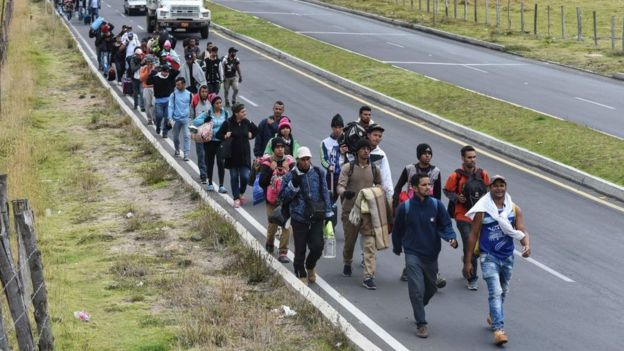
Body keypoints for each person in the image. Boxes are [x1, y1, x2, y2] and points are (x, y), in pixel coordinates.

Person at [463, 175, 531, 346]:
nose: (499, 189)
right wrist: (468, 261)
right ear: (489, 188)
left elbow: (522, 230)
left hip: (507, 257)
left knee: (504, 290)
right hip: (488, 257)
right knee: (496, 291)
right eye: (495, 186)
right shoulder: (483, 210)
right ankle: (499, 329)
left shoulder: (514, 209)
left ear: (506, 188)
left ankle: (493, 316)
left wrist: (526, 245)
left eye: (502, 186)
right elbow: (473, 235)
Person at [392, 173, 458, 339]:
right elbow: (397, 229)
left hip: (431, 254)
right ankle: (421, 323)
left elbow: (446, 225)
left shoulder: (436, 205)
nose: (429, 187)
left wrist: (451, 237)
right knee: (416, 289)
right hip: (412, 253)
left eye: (429, 184)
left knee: (431, 288)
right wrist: (397, 246)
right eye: (424, 185)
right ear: (414, 188)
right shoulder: (405, 208)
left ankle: (418, 306)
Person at [393, 143, 446, 287]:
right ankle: (409, 268)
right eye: (424, 153)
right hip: (411, 211)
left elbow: (438, 195)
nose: (427, 155)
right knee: (411, 241)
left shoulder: (435, 171)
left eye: (429, 153)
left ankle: (434, 273)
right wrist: (395, 209)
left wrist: (439, 214)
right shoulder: (410, 169)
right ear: (419, 155)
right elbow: (398, 188)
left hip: (429, 212)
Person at [279, 147, 333, 285]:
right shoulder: (289, 176)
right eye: (303, 159)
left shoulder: (318, 173)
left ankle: (310, 266)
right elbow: (282, 197)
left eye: (308, 159)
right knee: (300, 248)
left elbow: (325, 193)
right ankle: (300, 272)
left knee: (317, 247)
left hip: (316, 216)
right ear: (297, 160)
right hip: (299, 217)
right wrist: (293, 186)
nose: (306, 162)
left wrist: (328, 212)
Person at [337, 139, 383, 289]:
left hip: (368, 213)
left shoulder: (375, 169)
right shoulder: (347, 168)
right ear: (357, 151)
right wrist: (345, 193)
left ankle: (368, 276)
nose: (366, 151)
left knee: (370, 245)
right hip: (351, 211)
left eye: (368, 149)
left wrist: (377, 193)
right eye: (363, 148)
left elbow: (380, 186)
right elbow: (340, 186)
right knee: (350, 242)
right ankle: (347, 262)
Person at [444, 145, 490, 291]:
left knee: (475, 247)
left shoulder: (483, 174)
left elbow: (489, 190)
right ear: (463, 158)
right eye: (469, 157)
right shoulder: (455, 176)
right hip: (462, 215)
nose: (472, 160)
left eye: (474, 157)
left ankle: (467, 260)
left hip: (479, 215)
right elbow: (447, 190)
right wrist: (457, 197)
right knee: (469, 241)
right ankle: (472, 278)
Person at [259, 137, 295, 263]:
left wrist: (287, 170)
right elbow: (262, 182)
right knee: (273, 224)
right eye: (277, 147)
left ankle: (283, 252)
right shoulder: (267, 163)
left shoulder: (290, 162)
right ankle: (270, 242)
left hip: (286, 200)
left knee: (286, 226)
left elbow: (296, 180)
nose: (280, 149)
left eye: (282, 147)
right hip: (272, 200)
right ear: (273, 149)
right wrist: (270, 170)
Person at [217, 103, 258, 208]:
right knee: (234, 177)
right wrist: (225, 135)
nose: (245, 113)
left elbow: (256, 131)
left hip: (244, 155)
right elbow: (218, 134)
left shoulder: (247, 122)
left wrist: (251, 135)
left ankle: (241, 193)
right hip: (232, 156)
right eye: (242, 112)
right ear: (236, 113)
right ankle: (236, 198)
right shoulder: (228, 123)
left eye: (245, 111)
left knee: (245, 176)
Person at [203, 96, 229, 193]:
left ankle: (221, 185)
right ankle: (210, 183)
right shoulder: (208, 113)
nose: (219, 105)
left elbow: (228, 125)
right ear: (213, 104)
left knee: (220, 162)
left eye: (220, 103)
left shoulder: (225, 113)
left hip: (221, 142)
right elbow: (201, 123)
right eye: (217, 103)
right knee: (210, 162)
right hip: (209, 142)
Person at [320, 113, 346, 203]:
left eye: (340, 127)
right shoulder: (325, 142)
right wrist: (328, 166)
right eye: (335, 127)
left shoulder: (347, 141)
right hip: (331, 176)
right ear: (332, 128)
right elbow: (323, 159)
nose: (338, 130)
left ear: (343, 128)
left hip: (345, 175)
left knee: (346, 200)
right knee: (330, 199)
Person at [147, 64, 178, 138]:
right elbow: (148, 82)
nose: (165, 74)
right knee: (159, 116)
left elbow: (177, 72)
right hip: (158, 101)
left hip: (168, 101)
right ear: (161, 71)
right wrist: (152, 72)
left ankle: (165, 132)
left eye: (167, 72)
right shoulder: (156, 77)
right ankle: (158, 126)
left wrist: (171, 69)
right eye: (164, 72)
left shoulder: (170, 77)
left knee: (167, 118)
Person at [190, 85, 212, 183]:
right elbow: (191, 117)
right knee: (201, 154)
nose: (204, 93)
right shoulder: (194, 102)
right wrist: (192, 131)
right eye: (202, 91)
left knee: (208, 154)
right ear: (199, 92)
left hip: (208, 132)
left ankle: (208, 172)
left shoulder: (210, 102)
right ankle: (203, 174)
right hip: (198, 133)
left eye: (205, 92)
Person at [168, 77, 192, 161]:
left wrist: (192, 118)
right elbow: (170, 107)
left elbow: (192, 107)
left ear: (184, 84)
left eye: (179, 85)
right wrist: (170, 118)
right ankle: (177, 149)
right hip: (176, 119)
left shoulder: (189, 95)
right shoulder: (173, 95)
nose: (177, 86)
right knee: (175, 137)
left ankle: (186, 154)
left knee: (187, 136)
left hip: (186, 119)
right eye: (176, 85)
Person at [140, 55, 158, 123]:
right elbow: (141, 78)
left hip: (154, 88)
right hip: (146, 88)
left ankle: (154, 118)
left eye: (150, 62)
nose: (149, 63)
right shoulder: (143, 68)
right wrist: (148, 71)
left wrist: (153, 70)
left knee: (154, 104)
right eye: (147, 62)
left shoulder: (156, 68)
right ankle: (149, 119)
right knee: (147, 104)